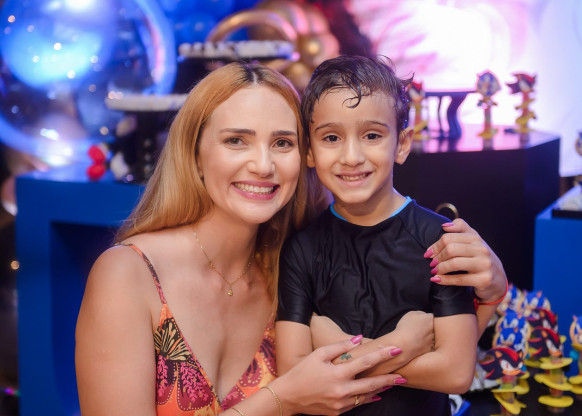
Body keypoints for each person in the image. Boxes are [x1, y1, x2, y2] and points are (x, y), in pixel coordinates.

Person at [75, 61, 506, 416]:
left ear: (304, 156)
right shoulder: (128, 276)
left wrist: (492, 291)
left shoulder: (291, 258)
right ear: (195, 155)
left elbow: (444, 365)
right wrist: (284, 398)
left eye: (282, 142)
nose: (263, 165)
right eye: (236, 141)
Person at [275, 55, 508, 416]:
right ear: (309, 151)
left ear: (401, 144)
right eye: (332, 137)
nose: (351, 156)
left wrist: (343, 354)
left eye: (371, 135)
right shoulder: (302, 249)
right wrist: (406, 343)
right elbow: (293, 372)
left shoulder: (439, 241)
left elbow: (456, 373)